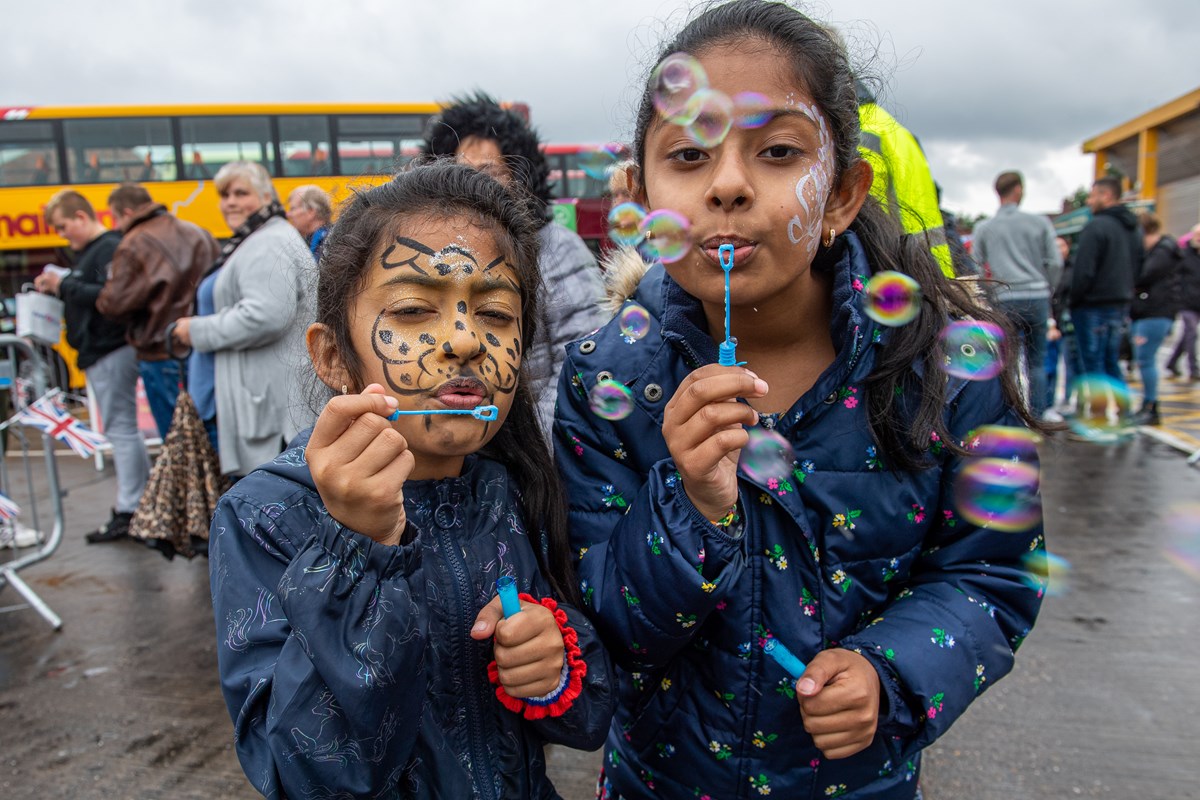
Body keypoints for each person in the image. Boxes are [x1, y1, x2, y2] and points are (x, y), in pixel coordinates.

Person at [554, 3, 1046, 798]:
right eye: (687, 155)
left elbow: (992, 574)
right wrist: (691, 506)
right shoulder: (605, 379)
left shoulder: (941, 371)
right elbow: (606, 628)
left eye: (779, 152)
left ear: (844, 196)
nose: (727, 186)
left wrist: (891, 672)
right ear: (643, 195)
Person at [209, 161, 614, 798]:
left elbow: (591, 717)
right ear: (333, 355)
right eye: (412, 309)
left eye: (497, 315)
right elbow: (306, 777)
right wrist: (355, 549)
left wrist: (553, 666)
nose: (464, 341)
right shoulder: (266, 515)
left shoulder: (512, 490)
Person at [423, 92, 606, 434]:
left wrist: (529, 445)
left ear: (520, 178)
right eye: (461, 172)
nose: (475, 184)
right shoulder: (434, 254)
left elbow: (583, 357)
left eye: (489, 171)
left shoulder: (557, 248)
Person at [171, 161, 312, 478]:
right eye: (224, 195)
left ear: (265, 195)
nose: (230, 202)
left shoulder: (268, 243)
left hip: (266, 411)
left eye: (240, 193)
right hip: (258, 404)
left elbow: (266, 316)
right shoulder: (259, 238)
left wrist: (195, 331)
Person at [36, 191, 149, 543]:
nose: (62, 234)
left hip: (109, 349)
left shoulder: (108, 247)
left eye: (64, 226)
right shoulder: (95, 251)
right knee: (122, 429)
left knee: (121, 429)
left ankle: (131, 509)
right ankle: (138, 505)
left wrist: (64, 284)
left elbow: (110, 298)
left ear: (82, 217)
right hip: (102, 350)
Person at [96, 183, 221, 439]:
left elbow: (113, 303)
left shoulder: (134, 243)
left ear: (127, 212)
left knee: (179, 442)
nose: (117, 226)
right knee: (213, 432)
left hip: (162, 350)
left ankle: (189, 482)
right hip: (205, 345)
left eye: (116, 218)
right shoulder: (198, 232)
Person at [973, 171, 1063, 417]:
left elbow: (977, 267)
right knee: (1037, 361)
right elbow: (1055, 262)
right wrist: (1047, 287)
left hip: (1003, 299)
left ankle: (1008, 413)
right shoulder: (1040, 223)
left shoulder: (984, 227)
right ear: (1018, 190)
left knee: (1005, 362)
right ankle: (1039, 413)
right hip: (1036, 296)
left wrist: (990, 295)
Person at [856, 82, 955, 277]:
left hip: (889, 268)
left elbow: (861, 211)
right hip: (930, 269)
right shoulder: (891, 127)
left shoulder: (857, 132)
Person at [1069, 176, 1142, 389]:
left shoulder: (1096, 226)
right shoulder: (1133, 228)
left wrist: (1073, 302)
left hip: (1092, 306)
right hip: (1120, 304)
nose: (1089, 202)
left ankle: (1097, 418)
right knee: (1111, 362)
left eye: (1092, 196)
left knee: (1092, 366)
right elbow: (1139, 266)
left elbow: (1083, 272)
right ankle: (1122, 414)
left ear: (1106, 195)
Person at [1129, 213, 1181, 425]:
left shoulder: (1162, 252)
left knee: (1145, 360)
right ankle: (1148, 405)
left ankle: (1151, 406)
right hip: (1152, 313)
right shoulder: (1162, 250)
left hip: (1154, 313)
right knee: (1144, 360)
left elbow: (1142, 276)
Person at [1165, 223, 1200, 384]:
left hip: (1197, 303)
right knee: (1191, 333)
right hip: (1186, 302)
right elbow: (1174, 277)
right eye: (1197, 235)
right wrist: (1177, 296)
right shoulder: (1184, 255)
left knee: (1186, 335)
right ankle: (1194, 369)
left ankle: (1171, 362)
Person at [285, 183, 332, 260]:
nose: (288, 214)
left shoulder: (328, 245)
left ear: (311, 211)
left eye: (292, 209)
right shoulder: (322, 239)